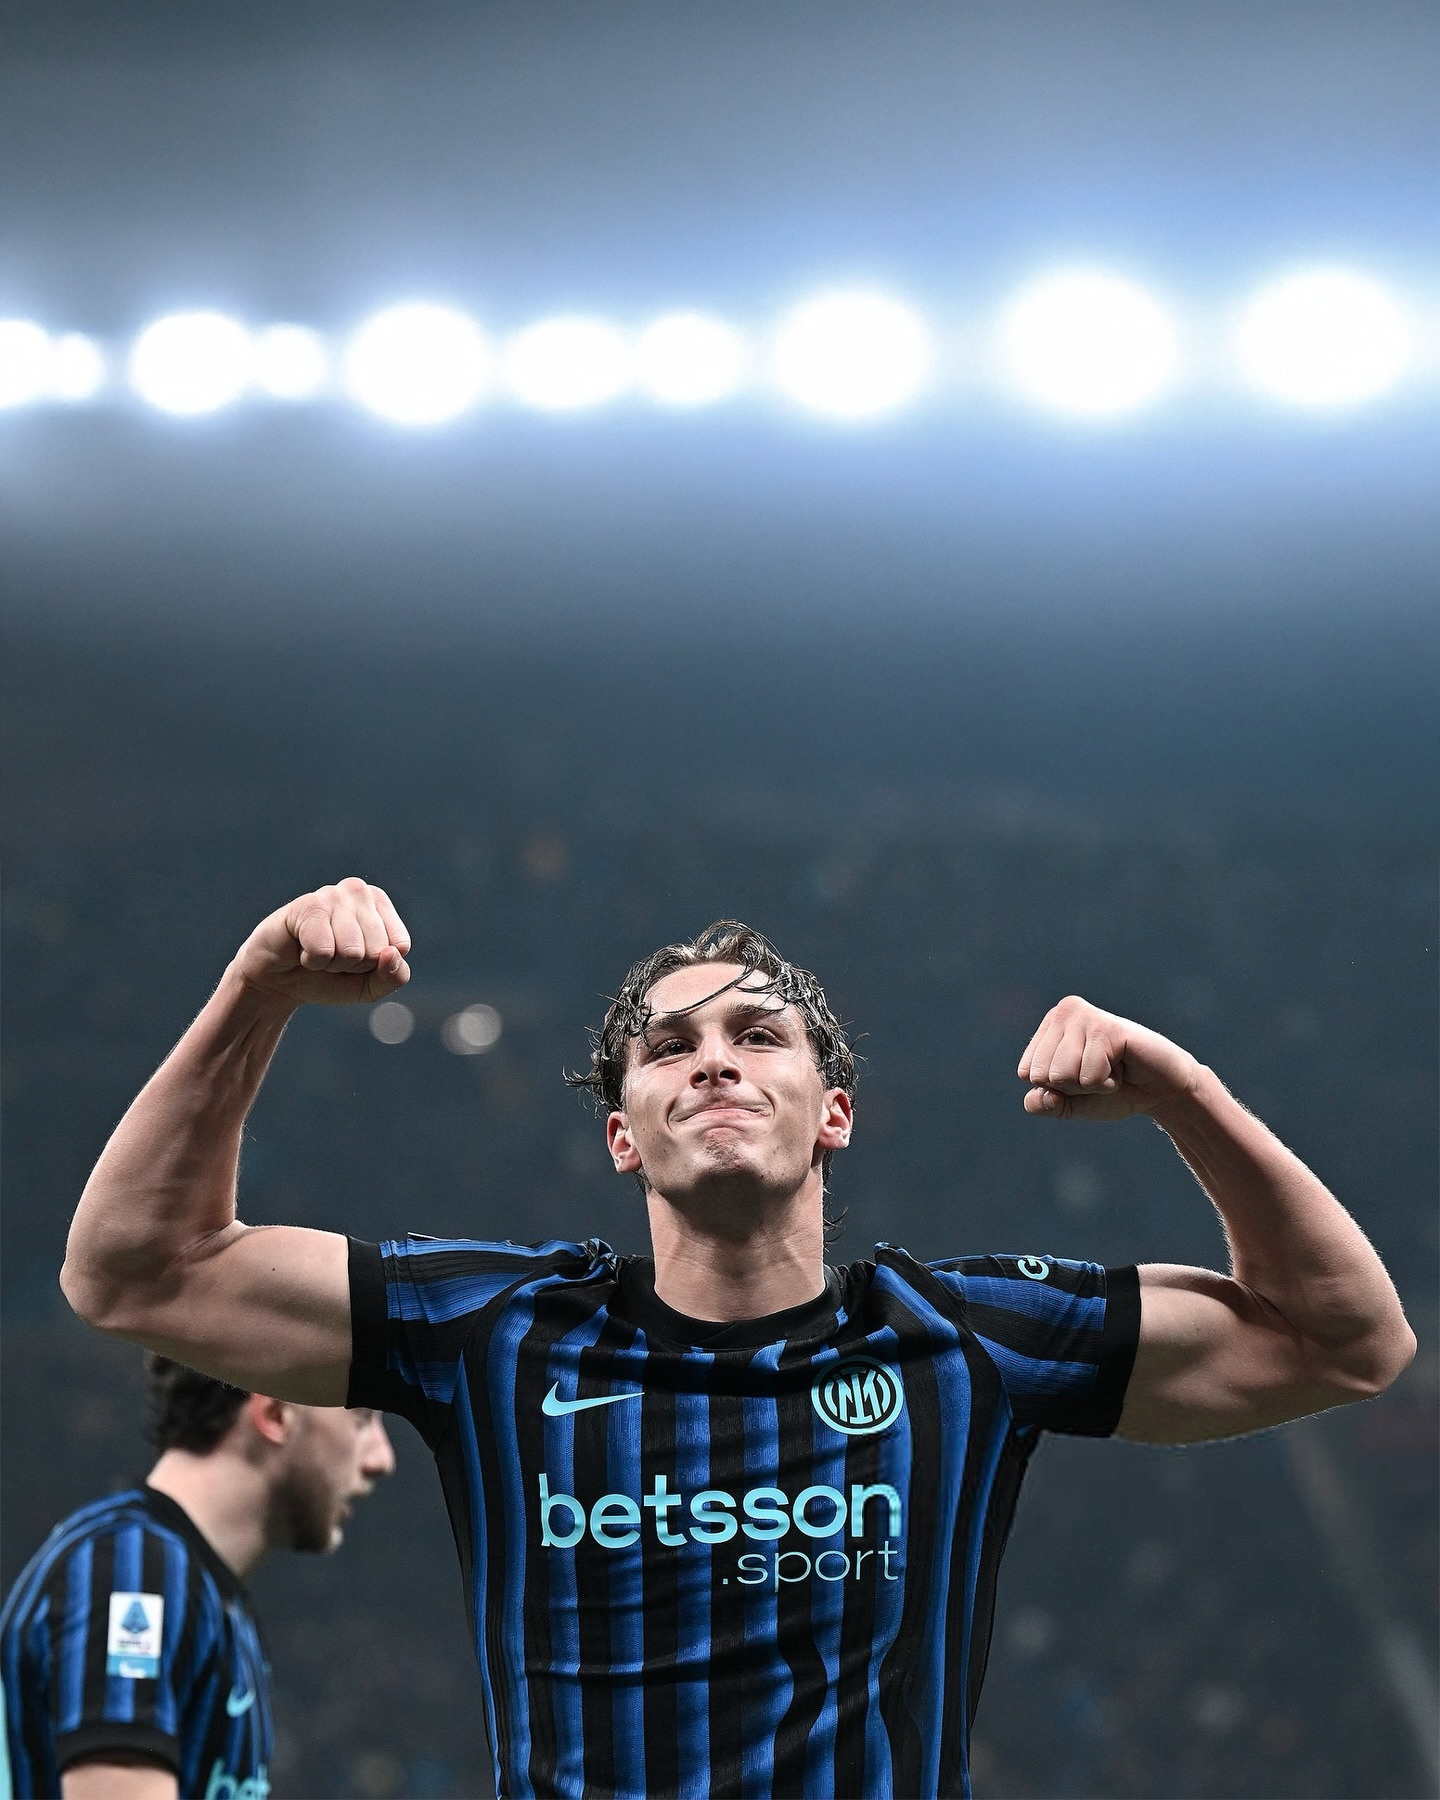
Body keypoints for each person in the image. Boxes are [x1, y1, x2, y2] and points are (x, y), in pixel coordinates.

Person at [59, 877, 1414, 1799]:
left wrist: (1185, 1094)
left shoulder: (966, 1339)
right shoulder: (498, 1328)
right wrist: (257, 986)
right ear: (622, 1137)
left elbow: (1346, 1339)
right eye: (669, 1048)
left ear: (833, 1113)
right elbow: (134, 1271)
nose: (712, 1059)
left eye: (758, 1035)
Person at [1, 1353, 394, 1800]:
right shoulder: (130, 1572)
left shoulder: (209, 1597)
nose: (381, 1459)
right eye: (362, 1419)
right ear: (275, 1413)